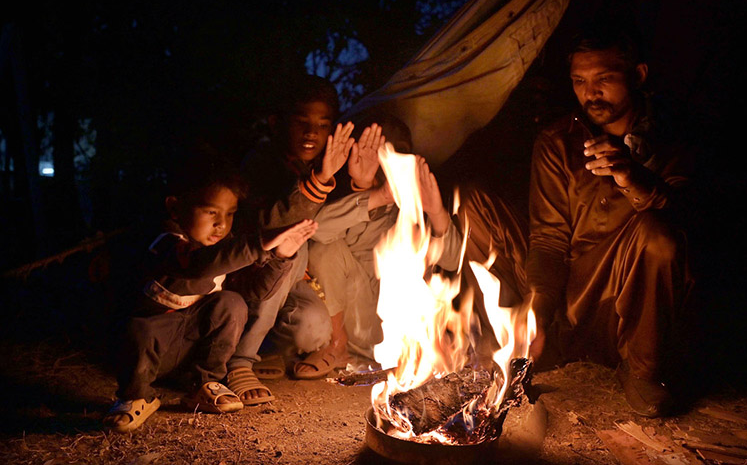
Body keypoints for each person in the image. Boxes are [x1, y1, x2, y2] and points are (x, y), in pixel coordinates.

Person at [526, 20, 695, 417]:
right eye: (579, 80)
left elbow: (690, 220)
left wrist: (632, 177)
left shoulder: (674, 140)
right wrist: (537, 315)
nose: (591, 92)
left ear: (637, 76)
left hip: (643, 301)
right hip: (578, 296)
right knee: (477, 207)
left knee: (657, 233)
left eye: (604, 78)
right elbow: (549, 239)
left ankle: (642, 371)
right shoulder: (559, 142)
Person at [103, 150, 317, 432]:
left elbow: (255, 293)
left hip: (190, 352)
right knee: (139, 328)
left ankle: (204, 383)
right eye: (211, 212)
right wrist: (257, 245)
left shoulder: (223, 250)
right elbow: (197, 267)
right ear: (176, 208)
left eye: (229, 214)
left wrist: (280, 256)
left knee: (231, 303)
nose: (221, 224)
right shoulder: (164, 244)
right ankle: (136, 396)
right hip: (153, 352)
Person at [301, 110, 520, 377]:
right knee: (323, 249)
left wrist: (437, 212)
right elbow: (317, 232)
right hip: (351, 325)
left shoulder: (417, 204)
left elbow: (453, 260)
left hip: (403, 335)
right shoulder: (348, 195)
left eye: (401, 151)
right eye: (383, 151)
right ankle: (337, 346)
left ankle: (420, 356)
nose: (393, 161)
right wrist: (372, 193)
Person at [228, 75, 355, 404]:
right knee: (292, 245)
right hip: (249, 275)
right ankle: (239, 360)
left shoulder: (321, 165)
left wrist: (359, 182)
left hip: (289, 283)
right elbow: (271, 225)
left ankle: (268, 349)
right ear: (276, 123)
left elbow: (333, 217)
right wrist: (321, 179)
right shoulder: (260, 163)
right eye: (302, 122)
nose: (312, 132)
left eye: (322, 124)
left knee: (313, 328)